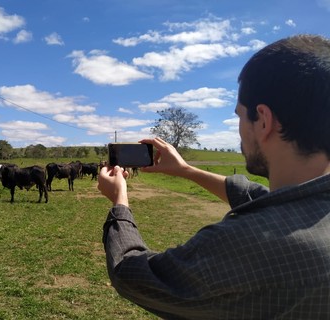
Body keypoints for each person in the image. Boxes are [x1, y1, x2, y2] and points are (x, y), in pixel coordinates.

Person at [97, 34, 330, 319]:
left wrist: (119, 202)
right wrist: (186, 170)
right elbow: (264, 199)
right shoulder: (313, 211)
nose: (240, 129)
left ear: (264, 120)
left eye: (240, 116)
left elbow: (131, 274)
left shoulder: (247, 241)